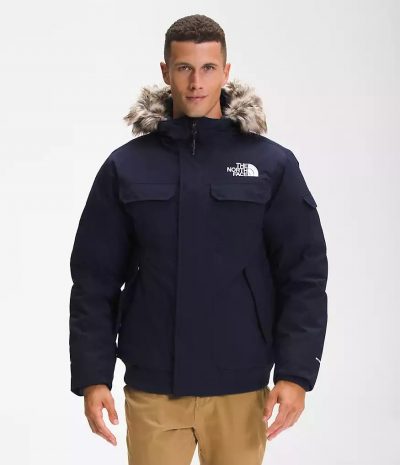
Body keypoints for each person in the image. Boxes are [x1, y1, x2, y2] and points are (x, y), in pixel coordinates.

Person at [69, 14, 328, 465]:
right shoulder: (126, 167)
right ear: (165, 71)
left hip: (240, 388)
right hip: (153, 388)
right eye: (184, 68)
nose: (196, 82)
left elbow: (303, 274)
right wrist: (94, 376)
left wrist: (295, 374)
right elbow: (94, 280)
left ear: (226, 72)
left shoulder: (271, 165)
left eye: (208, 68)